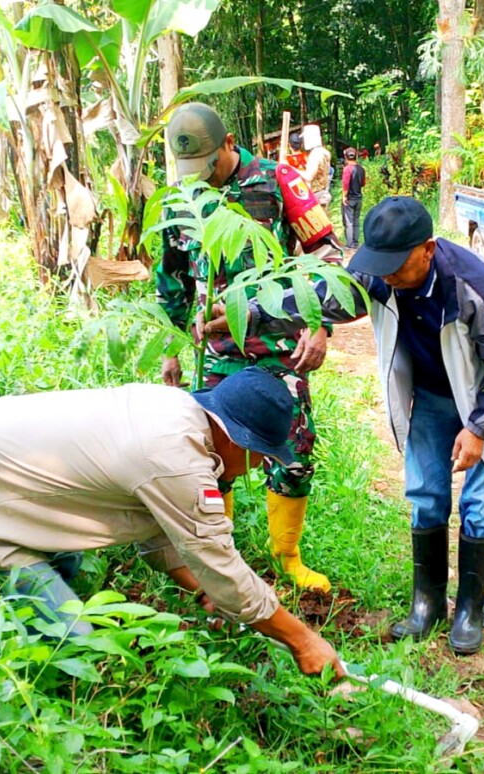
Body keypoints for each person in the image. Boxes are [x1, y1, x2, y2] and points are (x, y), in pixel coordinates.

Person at [210, 197, 484, 655]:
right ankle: (428, 604)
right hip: (432, 398)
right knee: (425, 493)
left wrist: (480, 429)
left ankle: (469, 610)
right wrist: (251, 315)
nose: (385, 278)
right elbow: (323, 298)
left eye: (395, 267)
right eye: (378, 267)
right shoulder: (383, 274)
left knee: (480, 503)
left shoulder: (477, 286)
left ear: (427, 249)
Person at [0, 368, 343, 677]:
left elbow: (160, 535)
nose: (258, 466)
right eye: (260, 455)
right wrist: (304, 642)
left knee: (63, 576)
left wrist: (203, 589)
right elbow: (217, 560)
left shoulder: (174, 412)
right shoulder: (175, 460)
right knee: (72, 641)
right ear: (235, 439)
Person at [157, 102, 338, 592]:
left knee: (293, 451)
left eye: (210, 165)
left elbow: (326, 254)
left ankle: (287, 556)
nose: (203, 179)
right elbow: (171, 281)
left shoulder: (279, 181)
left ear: (230, 144)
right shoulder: (181, 200)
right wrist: (171, 346)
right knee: (211, 456)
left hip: (280, 349)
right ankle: (224, 557)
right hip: (213, 350)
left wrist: (319, 323)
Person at [301, 124, 332, 207]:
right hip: (323, 192)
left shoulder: (315, 154)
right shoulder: (324, 152)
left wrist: (292, 169)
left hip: (317, 195)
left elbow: (309, 176)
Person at [341, 147, 366, 248]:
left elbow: (345, 184)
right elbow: (363, 183)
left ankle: (349, 244)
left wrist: (344, 196)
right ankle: (355, 243)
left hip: (349, 198)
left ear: (346, 157)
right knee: (356, 220)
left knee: (349, 221)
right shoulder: (361, 169)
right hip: (359, 198)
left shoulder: (347, 169)